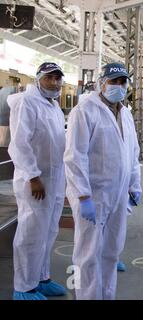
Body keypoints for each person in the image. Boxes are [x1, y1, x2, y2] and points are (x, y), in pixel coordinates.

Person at [64, 62, 142, 300]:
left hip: (118, 194)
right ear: (101, 83)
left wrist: (134, 184)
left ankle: (106, 295)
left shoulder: (126, 113)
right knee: (87, 254)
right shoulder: (85, 110)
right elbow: (75, 157)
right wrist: (83, 195)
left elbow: (132, 152)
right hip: (93, 195)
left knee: (111, 251)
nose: (118, 86)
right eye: (113, 81)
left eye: (122, 82)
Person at [8, 62, 67, 300]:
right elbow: (20, 143)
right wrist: (33, 176)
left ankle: (41, 278)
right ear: (37, 79)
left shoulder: (53, 106)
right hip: (35, 181)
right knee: (31, 233)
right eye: (48, 78)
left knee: (49, 230)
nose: (54, 82)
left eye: (57, 78)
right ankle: (23, 287)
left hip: (54, 180)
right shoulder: (26, 103)